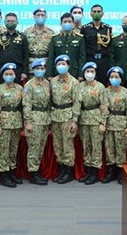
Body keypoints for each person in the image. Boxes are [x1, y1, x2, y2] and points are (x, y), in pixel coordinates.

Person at [0, 63, 24, 188]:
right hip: (4, 123)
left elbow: (23, 106)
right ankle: (4, 175)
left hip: (16, 123)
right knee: (3, 150)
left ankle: (11, 171)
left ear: (15, 75)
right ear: (2, 75)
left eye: (11, 74)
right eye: (6, 74)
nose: (9, 76)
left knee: (13, 149)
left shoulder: (20, 89)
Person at [49, 55, 80, 184]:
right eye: (59, 64)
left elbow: (77, 102)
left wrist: (75, 120)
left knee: (67, 145)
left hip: (68, 115)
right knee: (58, 144)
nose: (61, 66)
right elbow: (49, 100)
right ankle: (61, 169)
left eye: (63, 64)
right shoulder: (53, 81)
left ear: (68, 66)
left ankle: (68, 171)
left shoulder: (74, 82)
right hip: (55, 115)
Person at [101, 66, 127, 185]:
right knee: (109, 148)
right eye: (112, 77)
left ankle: (121, 172)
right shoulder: (105, 91)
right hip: (109, 123)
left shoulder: (126, 93)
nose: (114, 79)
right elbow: (104, 108)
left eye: (116, 77)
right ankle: (110, 171)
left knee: (121, 149)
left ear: (121, 78)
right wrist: (103, 124)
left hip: (121, 123)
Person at [76, 62, 107, 185]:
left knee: (96, 147)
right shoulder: (79, 86)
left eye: (92, 72)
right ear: (84, 73)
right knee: (86, 146)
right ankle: (88, 171)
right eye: (87, 72)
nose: (90, 74)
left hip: (95, 119)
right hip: (83, 119)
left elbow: (104, 105)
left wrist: (103, 122)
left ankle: (94, 173)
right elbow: (77, 104)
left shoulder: (100, 87)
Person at [22, 58, 51, 185]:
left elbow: (49, 103)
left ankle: (37, 171)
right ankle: (33, 173)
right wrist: (27, 122)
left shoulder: (47, 83)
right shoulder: (29, 85)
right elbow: (26, 104)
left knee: (40, 147)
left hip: (45, 119)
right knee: (33, 147)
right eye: (37, 69)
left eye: (42, 69)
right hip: (34, 119)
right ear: (33, 70)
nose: (40, 71)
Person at [0, 12, 29, 84]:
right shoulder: (0, 37)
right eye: (8, 21)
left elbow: (26, 56)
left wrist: (24, 72)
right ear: (5, 22)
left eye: (12, 21)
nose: (10, 23)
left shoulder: (22, 37)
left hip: (18, 69)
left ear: (17, 22)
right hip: (3, 69)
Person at [81, 4, 113, 84]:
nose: (96, 13)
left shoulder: (108, 28)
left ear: (102, 14)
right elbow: (83, 47)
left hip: (104, 61)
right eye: (94, 11)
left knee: (103, 83)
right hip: (90, 60)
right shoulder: (85, 28)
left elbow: (110, 46)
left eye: (99, 11)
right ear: (90, 14)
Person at [47, 13, 86, 79]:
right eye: (65, 22)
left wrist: (81, 74)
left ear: (73, 24)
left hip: (74, 72)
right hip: (58, 72)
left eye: (69, 21)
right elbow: (51, 58)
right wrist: (49, 74)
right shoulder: (55, 38)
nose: (67, 23)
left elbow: (82, 58)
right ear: (61, 24)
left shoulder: (80, 38)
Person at [24, 7, 55, 77]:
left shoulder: (51, 32)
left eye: (42, 15)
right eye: (38, 15)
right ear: (34, 17)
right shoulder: (27, 32)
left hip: (45, 65)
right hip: (31, 66)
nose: (40, 17)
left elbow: (52, 52)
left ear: (46, 17)